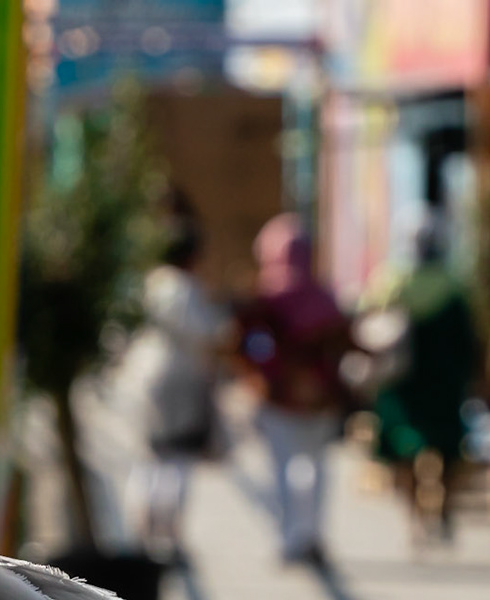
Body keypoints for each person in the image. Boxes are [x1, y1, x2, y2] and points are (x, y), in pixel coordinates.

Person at [236, 215, 351, 568]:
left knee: (283, 470)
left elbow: (251, 348)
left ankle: (289, 537)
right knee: (316, 469)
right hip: (319, 398)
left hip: (279, 398)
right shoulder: (326, 298)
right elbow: (341, 345)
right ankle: (311, 534)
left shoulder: (264, 298)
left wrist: (272, 378)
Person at [117, 211, 228, 560]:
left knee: (149, 456)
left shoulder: (146, 282)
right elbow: (207, 331)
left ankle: (140, 534)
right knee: (177, 457)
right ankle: (168, 538)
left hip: (142, 372)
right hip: (179, 377)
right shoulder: (185, 287)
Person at [368, 223, 478, 547]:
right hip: (445, 384)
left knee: (402, 450)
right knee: (447, 448)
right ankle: (443, 512)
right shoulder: (453, 288)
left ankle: (414, 516)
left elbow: (368, 330)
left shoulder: (389, 285)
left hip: (400, 386)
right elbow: (468, 342)